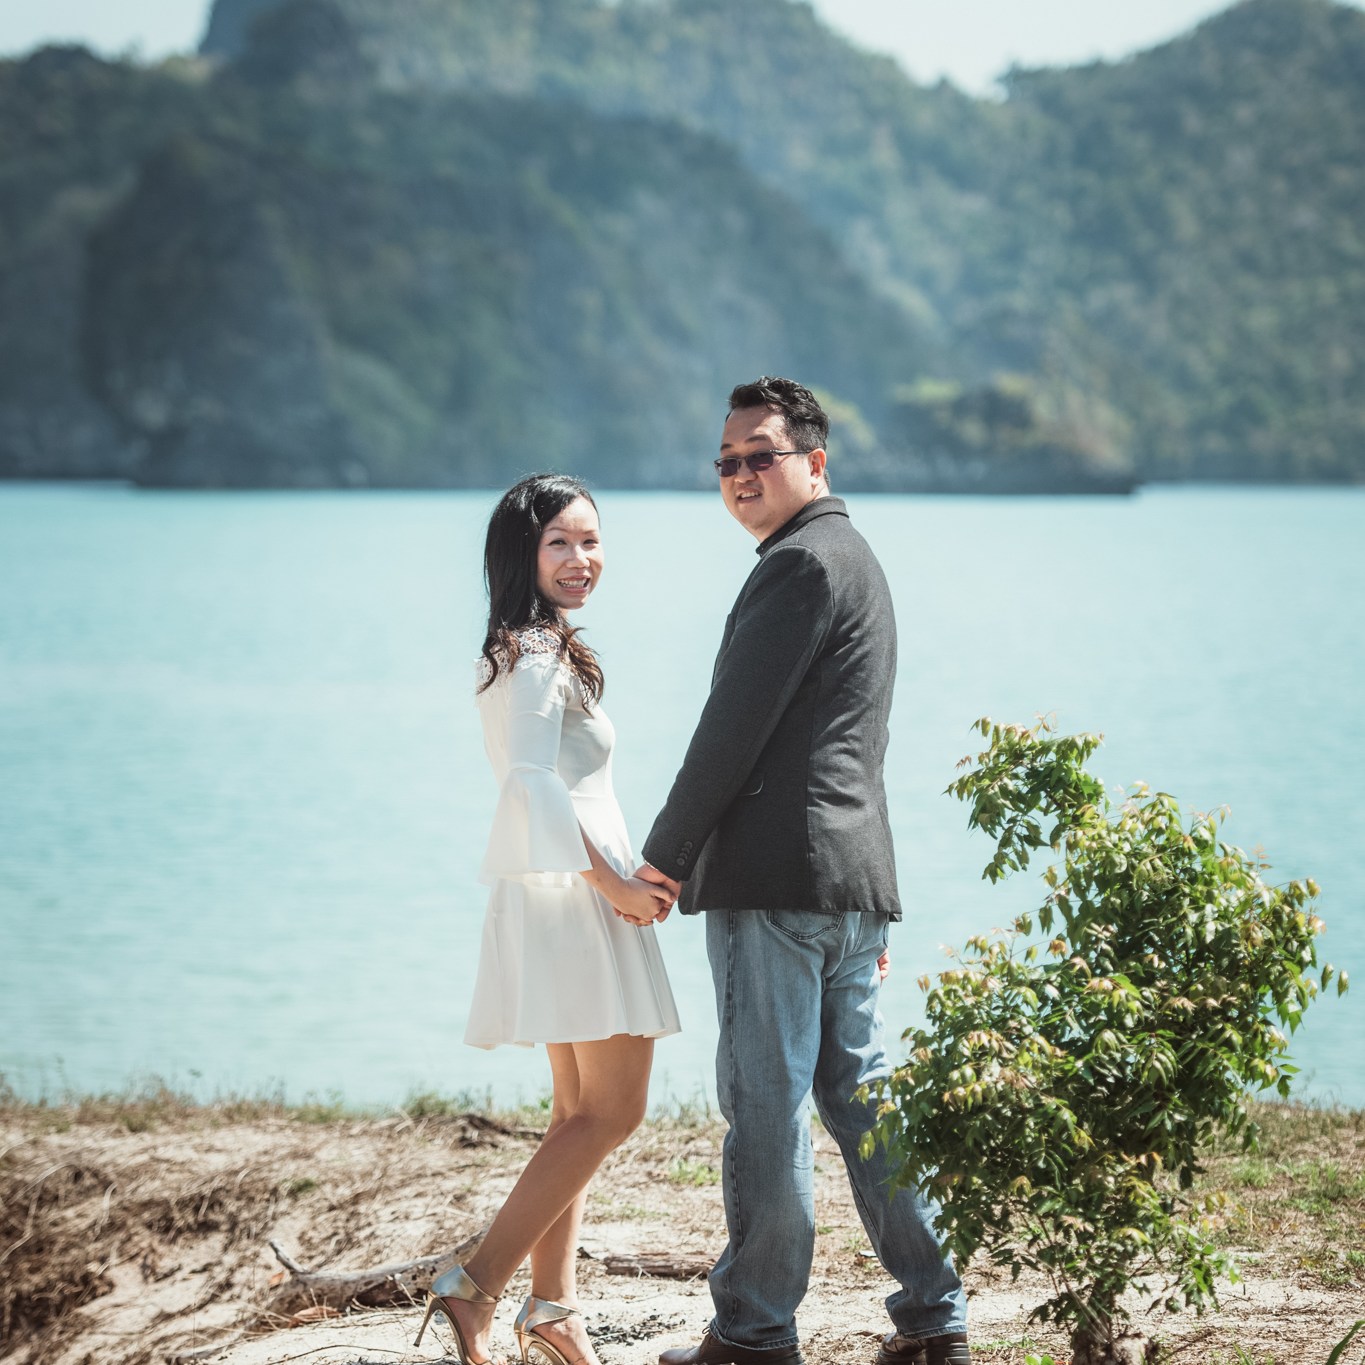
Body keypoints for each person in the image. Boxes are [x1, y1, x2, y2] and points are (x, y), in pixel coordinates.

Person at [636, 379, 970, 1365]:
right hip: (851, 879)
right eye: (726, 461)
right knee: (860, 1098)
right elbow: (856, 742)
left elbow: (729, 733)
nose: (740, 474)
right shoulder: (856, 560)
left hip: (778, 883)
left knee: (767, 1105)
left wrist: (663, 859)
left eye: (761, 455)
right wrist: (867, 891)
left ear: (815, 463)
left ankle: (754, 1333)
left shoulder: (797, 564)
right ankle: (935, 1316)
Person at [416, 473, 681, 1365]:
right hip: (576, 897)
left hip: (555, 893)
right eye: (559, 542)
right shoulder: (534, 648)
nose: (581, 559)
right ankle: (474, 1282)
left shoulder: (521, 645)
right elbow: (532, 782)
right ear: (521, 553)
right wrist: (614, 886)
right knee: (613, 1111)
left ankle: (553, 1307)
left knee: (575, 1111)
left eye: (591, 540)